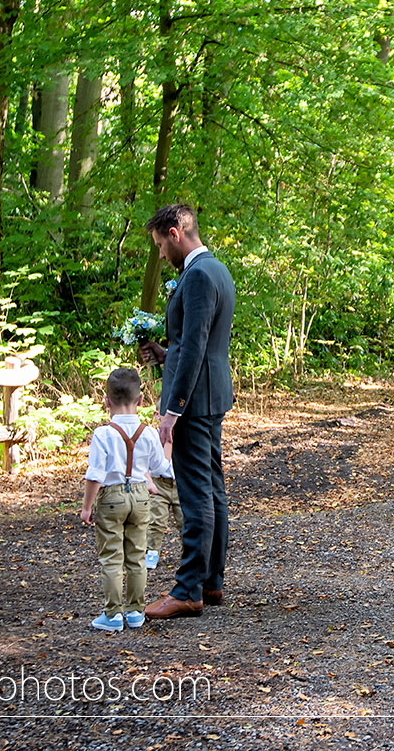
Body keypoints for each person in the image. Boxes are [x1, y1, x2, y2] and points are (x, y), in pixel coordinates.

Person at [139, 204, 236, 620]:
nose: (161, 255)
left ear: (176, 234)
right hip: (211, 395)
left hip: (194, 403)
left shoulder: (196, 276)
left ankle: (188, 590)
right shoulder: (217, 270)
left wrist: (172, 410)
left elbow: (196, 345)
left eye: (161, 245)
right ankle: (211, 581)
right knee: (212, 489)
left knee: (196, 495)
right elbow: (191, 344)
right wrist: (164, 354)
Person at [81, 367, 172, 632]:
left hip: (111, 498)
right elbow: (160, 468)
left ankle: (112, 615)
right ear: (141, 400)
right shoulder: (148, 433)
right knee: (136, 556)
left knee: (111, 557)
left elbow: (95, 474)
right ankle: (135, 611)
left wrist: (87, 507)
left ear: (107, 401)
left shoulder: (103, 434)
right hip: (142, 497)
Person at [145, 453, 182, 570]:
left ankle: (188, 554)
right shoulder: (155, 435)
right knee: (156, 520)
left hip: (182, 481)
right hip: (159, 482)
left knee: (185, 520)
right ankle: (152, 552)